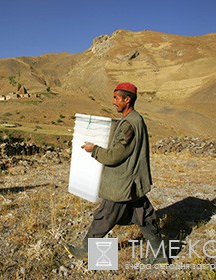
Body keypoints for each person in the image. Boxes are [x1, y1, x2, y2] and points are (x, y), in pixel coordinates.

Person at [64, 82, 168, 264]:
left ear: (127, 100)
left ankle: (86, 250)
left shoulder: (129, 124)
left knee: (104, 216)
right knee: (144, 216)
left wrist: (94, 149)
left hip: (122, 182)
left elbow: (114, 156)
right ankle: (159, 254)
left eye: (116, 98)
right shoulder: (136, 119)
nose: (113, 102)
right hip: (133, 181)